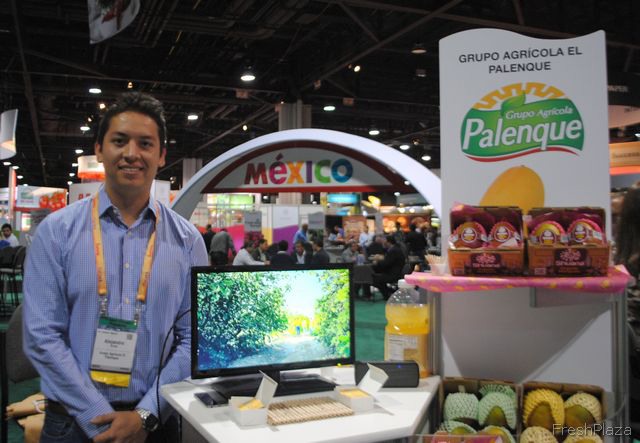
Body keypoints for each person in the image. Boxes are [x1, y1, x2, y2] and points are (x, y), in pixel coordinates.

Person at [22, 92, 209, 443]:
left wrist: (145, 415)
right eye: (119, 141)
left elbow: (193, 340)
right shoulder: (56, 232)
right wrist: (98, 417)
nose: (131, 154)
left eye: (145, 143)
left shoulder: (187, 241)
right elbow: (41, 336)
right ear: (99, 149)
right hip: (73, 424)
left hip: (155, 423)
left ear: (161, 155)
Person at [362, 235, 406, 300]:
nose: (383, 242)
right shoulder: (395, 249)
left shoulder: (393, 250)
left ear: (389, 242)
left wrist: (376, 263)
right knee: (375, 277)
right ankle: (390, 292)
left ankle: (388, 293)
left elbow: (386, 264)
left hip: (393, 274)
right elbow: (388, 262)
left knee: (372, 279)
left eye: (384, 240)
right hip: (395, 272)